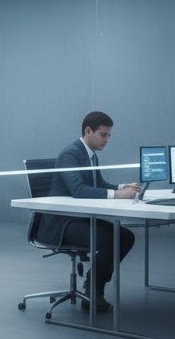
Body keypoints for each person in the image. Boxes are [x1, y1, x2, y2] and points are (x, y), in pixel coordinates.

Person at [36, 111, 141, 313]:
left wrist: (123, 187)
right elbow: (78, 190)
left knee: (125, 236)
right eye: (103, 135)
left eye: (109, 135)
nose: (108, 140)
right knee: (112, 239)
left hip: (79, 218)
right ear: (88, 131)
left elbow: (98, 184)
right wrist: (118, 195)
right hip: (60, 224)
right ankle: (94, 292)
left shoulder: (90, 154)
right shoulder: (71, 154)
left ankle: (93, 287)